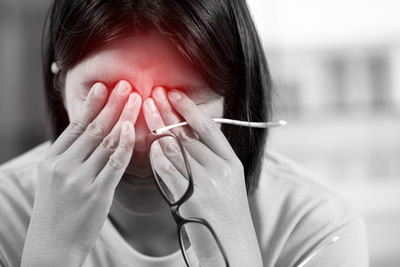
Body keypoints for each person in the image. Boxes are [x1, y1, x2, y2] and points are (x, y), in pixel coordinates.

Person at [0, 0, 369, 266]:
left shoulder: (315, 228)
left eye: (181, 97)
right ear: (60, 81)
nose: (142, 138)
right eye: (109, 94)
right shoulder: (6, 214)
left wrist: (231, 254)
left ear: (233, 97)